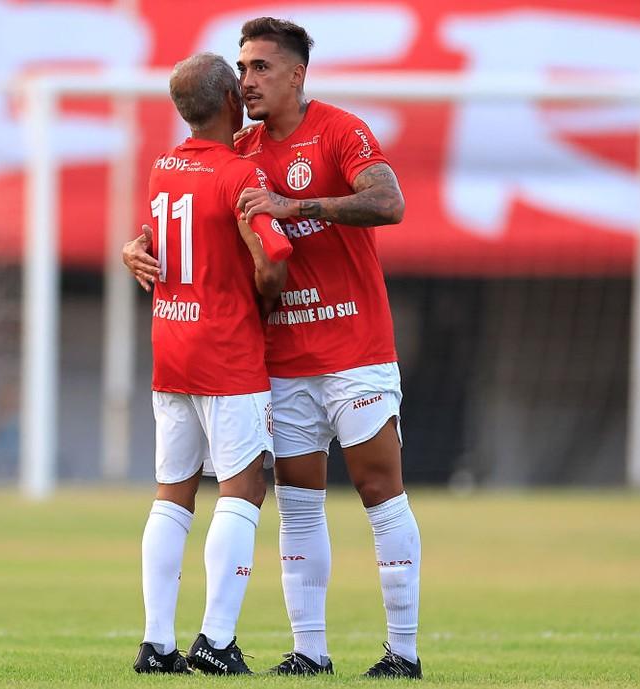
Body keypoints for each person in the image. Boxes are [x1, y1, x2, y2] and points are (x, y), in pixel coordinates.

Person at [125, 17, 422, 680]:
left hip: (355, 349)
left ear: (297, 73)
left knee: (380, 489)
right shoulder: (240, 146)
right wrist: (138, 243)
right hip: (282, 358)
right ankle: (310, 649)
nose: (247, 80)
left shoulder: (340, 131)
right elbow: (189, 208)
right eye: (242, 67)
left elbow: (389, 201)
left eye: (260, 66)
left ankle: (403, 651)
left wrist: (297, 205)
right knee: (298, 501)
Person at [128, 51, 292, 676]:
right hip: (226, 351)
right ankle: (217, 641)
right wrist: (266, 290)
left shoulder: (162, 168)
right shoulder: (235, 175)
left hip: (170, 347)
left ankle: (156, 644)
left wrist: (129, 250)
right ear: (229, 102)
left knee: (172, 494)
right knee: (242, 488)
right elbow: (273, 258)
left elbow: (148, 240)